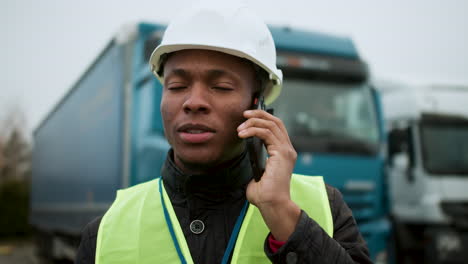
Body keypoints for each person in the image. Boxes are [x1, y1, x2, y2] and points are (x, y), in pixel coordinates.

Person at [76, 1, 371, 263]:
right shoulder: (104, 233)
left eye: (221, 87)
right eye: (177, 87)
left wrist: (282, 214)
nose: (194, 103)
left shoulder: (326, 207)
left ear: (258, 104)